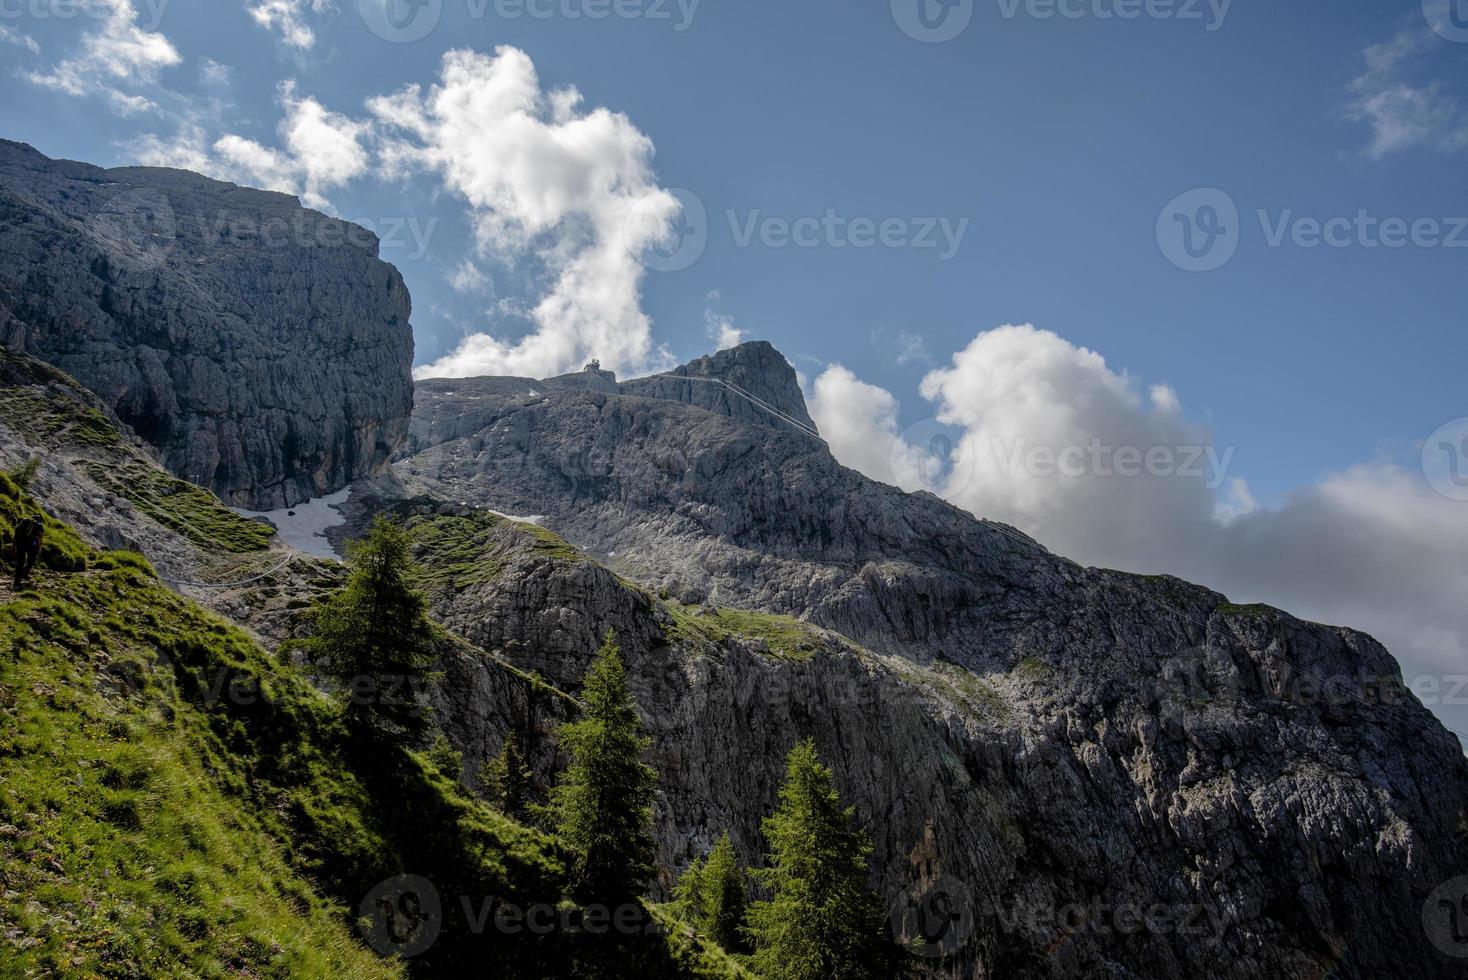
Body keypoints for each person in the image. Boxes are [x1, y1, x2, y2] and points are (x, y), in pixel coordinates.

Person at [11, 516, 42, 590]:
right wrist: (40, 547)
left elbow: (16, 533)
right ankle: (25, 572)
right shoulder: (39, 525)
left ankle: (16, 582)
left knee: (20, 562)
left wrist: (13, 546)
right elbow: (40, 536)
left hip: (20, 543)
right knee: (31, 560)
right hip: (30, 544)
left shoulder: (23, 523)